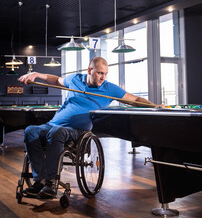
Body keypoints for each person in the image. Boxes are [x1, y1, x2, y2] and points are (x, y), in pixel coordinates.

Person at [18, 56, 158, 198]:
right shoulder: (75, 79)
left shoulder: (109, 89)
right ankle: (40, 180)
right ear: (90, 70)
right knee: (30, 131)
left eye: (105, 74)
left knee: (57, 132)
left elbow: (134, 99)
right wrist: (36, 75)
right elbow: (55, 80)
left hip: (76, 131)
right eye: (100, 73)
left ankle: (51, 183)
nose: (103, 77)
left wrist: (154, 106)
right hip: (52, 124)